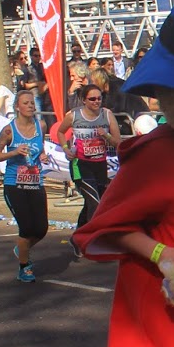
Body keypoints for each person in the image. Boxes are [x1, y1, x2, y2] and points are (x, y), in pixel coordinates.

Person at [0, 90, 49, 282]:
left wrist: (42, 156)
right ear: (17, 107)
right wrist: (14, 152)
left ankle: (21, 249)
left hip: (35, 182)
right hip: (14, 184)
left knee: (41, 229)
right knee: (26, 228)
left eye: (32, 103)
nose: (31, 106)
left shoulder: (41, 126)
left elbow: (39, 150)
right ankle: (24, 268)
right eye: (26, 103)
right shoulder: (9, 130)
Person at [57, 83, 122, 236]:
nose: (96, 102)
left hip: (100, 166)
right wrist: (66, 149)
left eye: (99, 98)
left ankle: (78, 236)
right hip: (80, 165)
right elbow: (60, 132)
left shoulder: (107, 115)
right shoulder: (74, 115)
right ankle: (94, 239)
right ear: (84, 100)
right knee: (95, 202)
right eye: (92, 99)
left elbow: (118, 142)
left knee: (92, 203)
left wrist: (105, 135)